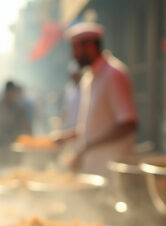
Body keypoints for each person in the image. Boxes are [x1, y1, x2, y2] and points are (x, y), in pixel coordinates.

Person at [54, 22, 137, 175]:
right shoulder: (88, 78)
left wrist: (87, 146)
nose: (73, 55)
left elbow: (128, 123)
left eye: (75, 49)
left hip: (112, 170)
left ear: (90, 46)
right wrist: (65, 137)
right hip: (93, 168)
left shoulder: (114, 74)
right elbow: (90, 126)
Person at [0, 80, 32, 173]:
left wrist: (29, 137)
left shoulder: (18, 108)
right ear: (6, 92)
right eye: (11, 92)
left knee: (12, 168)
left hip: (13, 143)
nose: (13, 95)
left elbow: (24, 123)